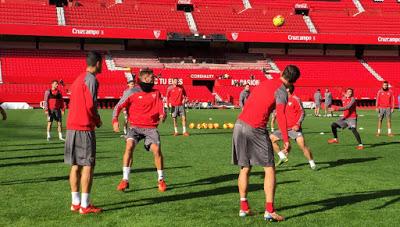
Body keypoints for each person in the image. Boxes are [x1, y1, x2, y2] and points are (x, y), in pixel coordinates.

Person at [232, 65, 300, 222]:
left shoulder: (265, 83)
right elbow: (281, 116)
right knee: (269, 168)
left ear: (282, 73)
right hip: (255, 127)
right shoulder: (282, 91)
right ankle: (269, 211)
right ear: (293, 81)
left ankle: (244, 208)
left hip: (239, 124)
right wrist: (286, 139)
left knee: (245, 167)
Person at [112, 68, 167, 193]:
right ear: (142, 79)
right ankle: (125, 179)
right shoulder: (132, 92)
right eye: (149, 78)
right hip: (135, 127)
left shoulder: (156, 93)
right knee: (129, 146)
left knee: (157, 150)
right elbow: (118, 106)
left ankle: (161, 179)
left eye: (153, 78)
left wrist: (162, 115)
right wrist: (115, 120)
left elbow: (161, 108)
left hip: (151, 128)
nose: (152, 80)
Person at [64, 51, 103, 214]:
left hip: (71, 127)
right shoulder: (92, 80)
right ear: (99, 63)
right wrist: (97, 119)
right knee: (88, 165)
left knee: (75, 165)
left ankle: (75, 203)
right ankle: (85, 206)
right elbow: (90, 105)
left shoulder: (78, 79)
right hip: (84, 127)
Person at [270, 85, 316, 170]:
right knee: (271, 139)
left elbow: (302, 113)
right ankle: (282, 156)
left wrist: (298, 124)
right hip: (283, 128)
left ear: (287, 90)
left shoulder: (295, 99)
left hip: (294, 128)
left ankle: (312, 162)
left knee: (302, 146)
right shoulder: (281, 99)